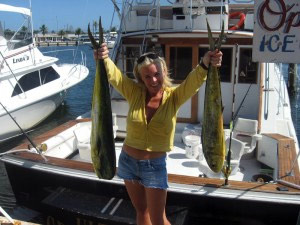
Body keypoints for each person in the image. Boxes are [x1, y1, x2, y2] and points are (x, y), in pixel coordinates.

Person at [94, 44, 222, 225]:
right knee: (141, 211)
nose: (153, 80)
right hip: (127, 161)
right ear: (141, 78)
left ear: (163, 73)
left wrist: (205, 64)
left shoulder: (174, 97)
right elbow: (115, 77)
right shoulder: (134, 92)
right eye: (147, 76)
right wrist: (103, 58)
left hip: (153, 166)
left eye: (157, 74)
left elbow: (193, 82)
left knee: (158, 219)